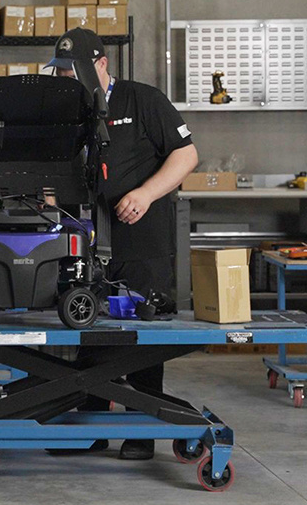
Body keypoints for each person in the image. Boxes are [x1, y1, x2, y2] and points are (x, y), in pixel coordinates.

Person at [48, 27, 198, 460]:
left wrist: (146, 194)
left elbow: (186, 155)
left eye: (73, 72)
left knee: (140, 339)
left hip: (141, 242)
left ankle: (141, 432)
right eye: (61, 73)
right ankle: (93, 426)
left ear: (101, 64)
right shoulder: (68, 113)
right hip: (89, 243)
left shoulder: (143, 100)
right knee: (89, 334)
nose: (66, 80)